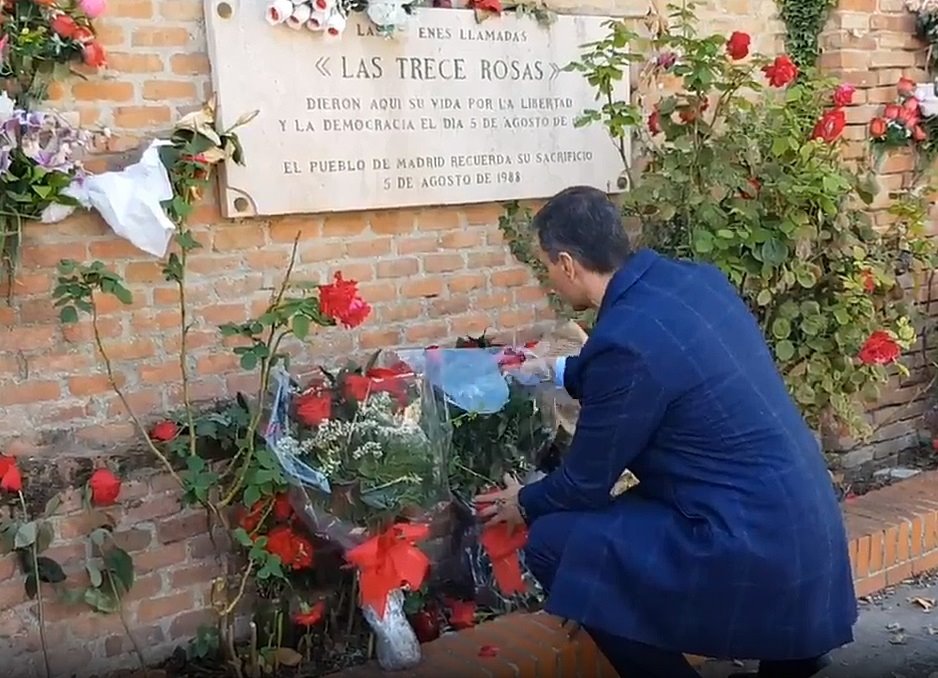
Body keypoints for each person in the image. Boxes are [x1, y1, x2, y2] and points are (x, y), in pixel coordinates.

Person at [476, 186, 857, 678]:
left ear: (568, 264)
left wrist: (522, 502)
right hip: (803, 522)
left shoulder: (624, 343)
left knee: (555, 541)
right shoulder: (693, 281)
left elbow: (583, 485)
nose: (549, 276)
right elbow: (656, 364)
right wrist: (555, 370)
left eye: (547, 265)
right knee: (614, 531)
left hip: (745, 539)